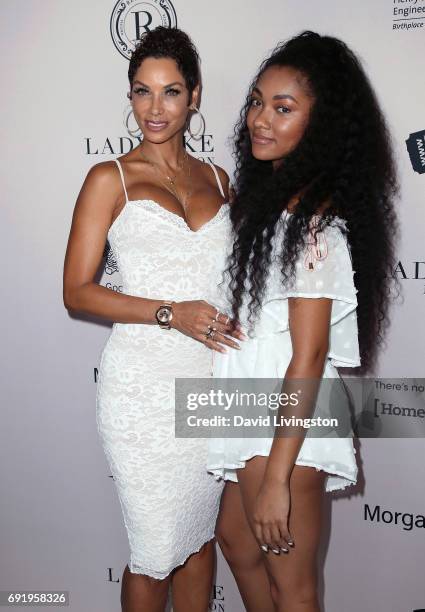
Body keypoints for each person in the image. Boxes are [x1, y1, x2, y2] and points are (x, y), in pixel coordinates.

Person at [207, 31, 399, 612]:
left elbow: (310, 356)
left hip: (287, 425)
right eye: (257, 102)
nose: (260, 120)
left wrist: (277, 480)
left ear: (321, 128)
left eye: (283, 109)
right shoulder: (272, 208)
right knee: (237, 545)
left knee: (293, 589)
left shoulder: (317, 228)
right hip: (248, 404)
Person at [63, 26, 244, 612]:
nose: (155, 108)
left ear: (194, 96)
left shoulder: (220, 180)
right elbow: (78, 293)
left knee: (197, 540)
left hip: (209, 383)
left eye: (170, 92)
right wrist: (170, 313)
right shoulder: (108, 178)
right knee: (155, 549)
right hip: (142, 391)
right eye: (142, 92)